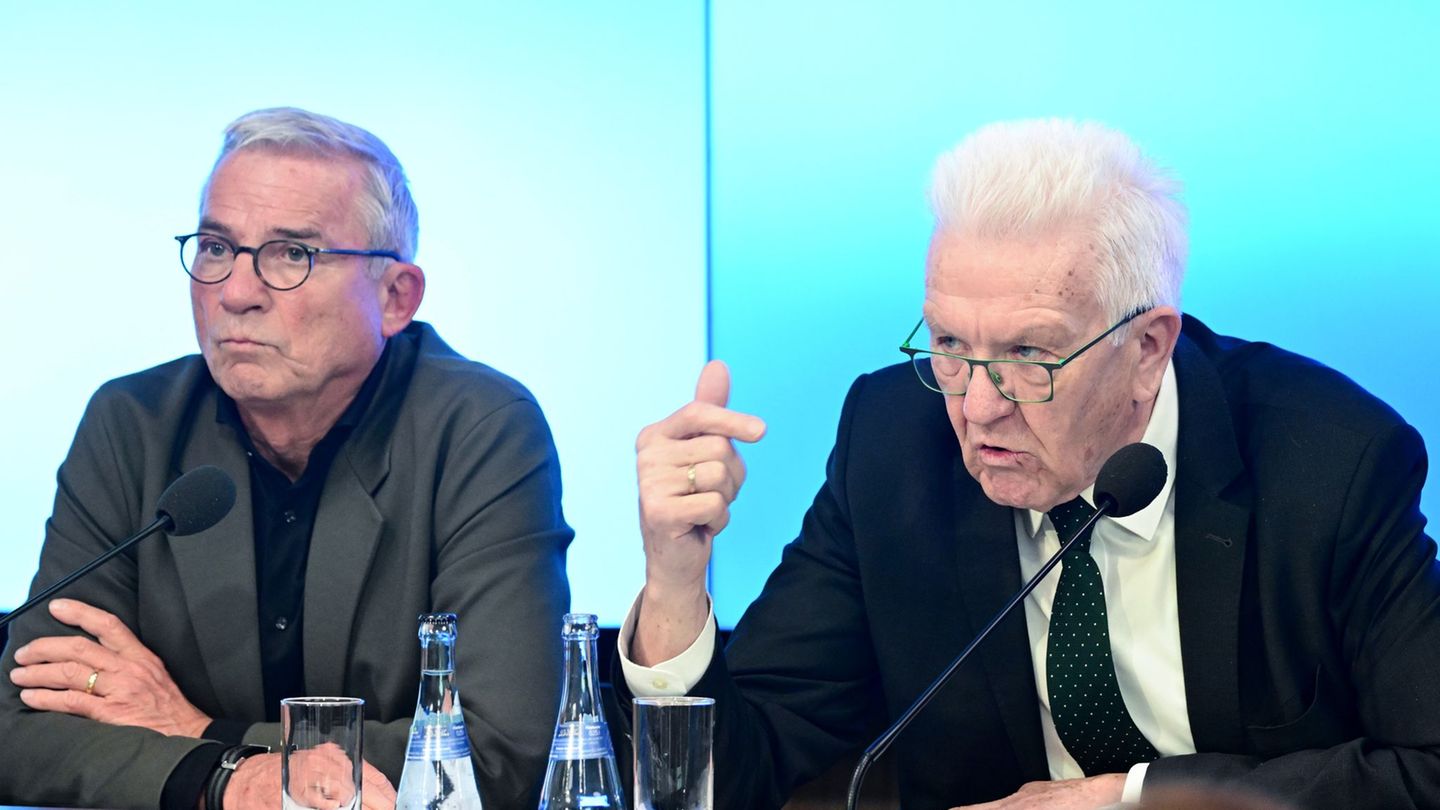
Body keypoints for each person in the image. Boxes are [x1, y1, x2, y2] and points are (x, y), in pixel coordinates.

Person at [619, 119, 1440, 809]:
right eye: (947, 345)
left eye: (1029, 355)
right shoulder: (892, 447)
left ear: (1147, 347)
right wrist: (675, 583)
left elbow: (1429, 765)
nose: (976, 407)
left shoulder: (1330, 463)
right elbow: (743, 766)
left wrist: (1126, 800)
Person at [0, 108, 572, 810]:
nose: (236, 293)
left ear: (396, 298)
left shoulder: (480, 429)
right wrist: (225, 779)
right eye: (215, 247)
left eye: (291, 254)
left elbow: (503, 750)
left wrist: (205, 738)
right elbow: (21, 730)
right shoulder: (134, 425)